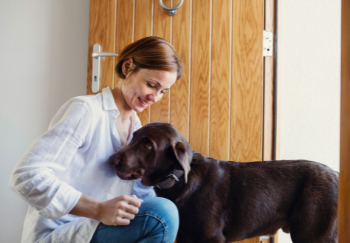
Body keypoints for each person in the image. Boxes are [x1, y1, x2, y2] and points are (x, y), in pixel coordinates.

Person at [9, 36, 182, 243]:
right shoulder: (85, 110)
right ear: (128, 67)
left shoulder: (138, 132)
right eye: (151, 84)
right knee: (163, 213)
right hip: (58, 233)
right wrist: (98, 209)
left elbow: (141, 198)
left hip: (99, 230)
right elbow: (26, 176)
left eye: (163, 91)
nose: (155, 97)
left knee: (168, 210)